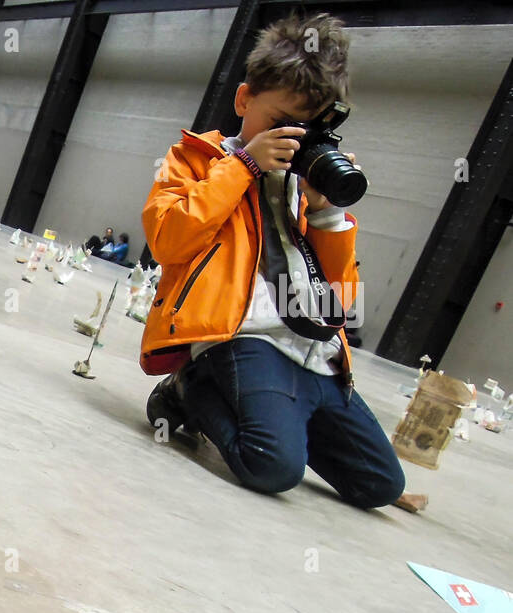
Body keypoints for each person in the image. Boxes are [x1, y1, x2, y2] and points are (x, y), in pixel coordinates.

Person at [142, 13, 403, 509]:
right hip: (243, 341)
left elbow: (343, 301)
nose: (292, 140)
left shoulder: (306, 185)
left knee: (381, 486)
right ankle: (186, 389)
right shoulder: (196, 159)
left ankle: (283, 417)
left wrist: (328, 217)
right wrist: (244, 166)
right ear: (244, 99)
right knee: (273, 468)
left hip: (316, 352)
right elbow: (169, 240)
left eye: (306, 129)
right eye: (280, 122)